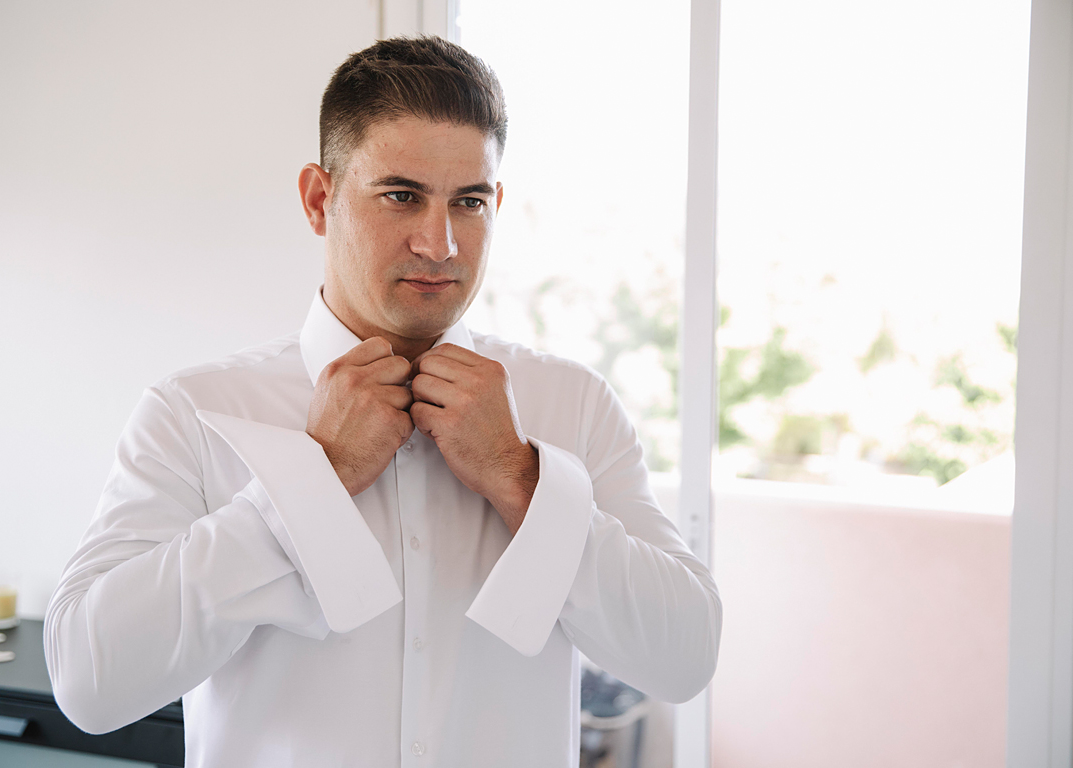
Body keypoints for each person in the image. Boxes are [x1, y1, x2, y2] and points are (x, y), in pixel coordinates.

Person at [44, 35, 721, 767]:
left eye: (468, 202)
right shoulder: (194, 412)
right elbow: (88, 683)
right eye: (402, 196)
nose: (440, 243)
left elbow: (685, 660)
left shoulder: (573, 404)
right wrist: (311, 481)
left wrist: (520, 477)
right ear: (319, 199)